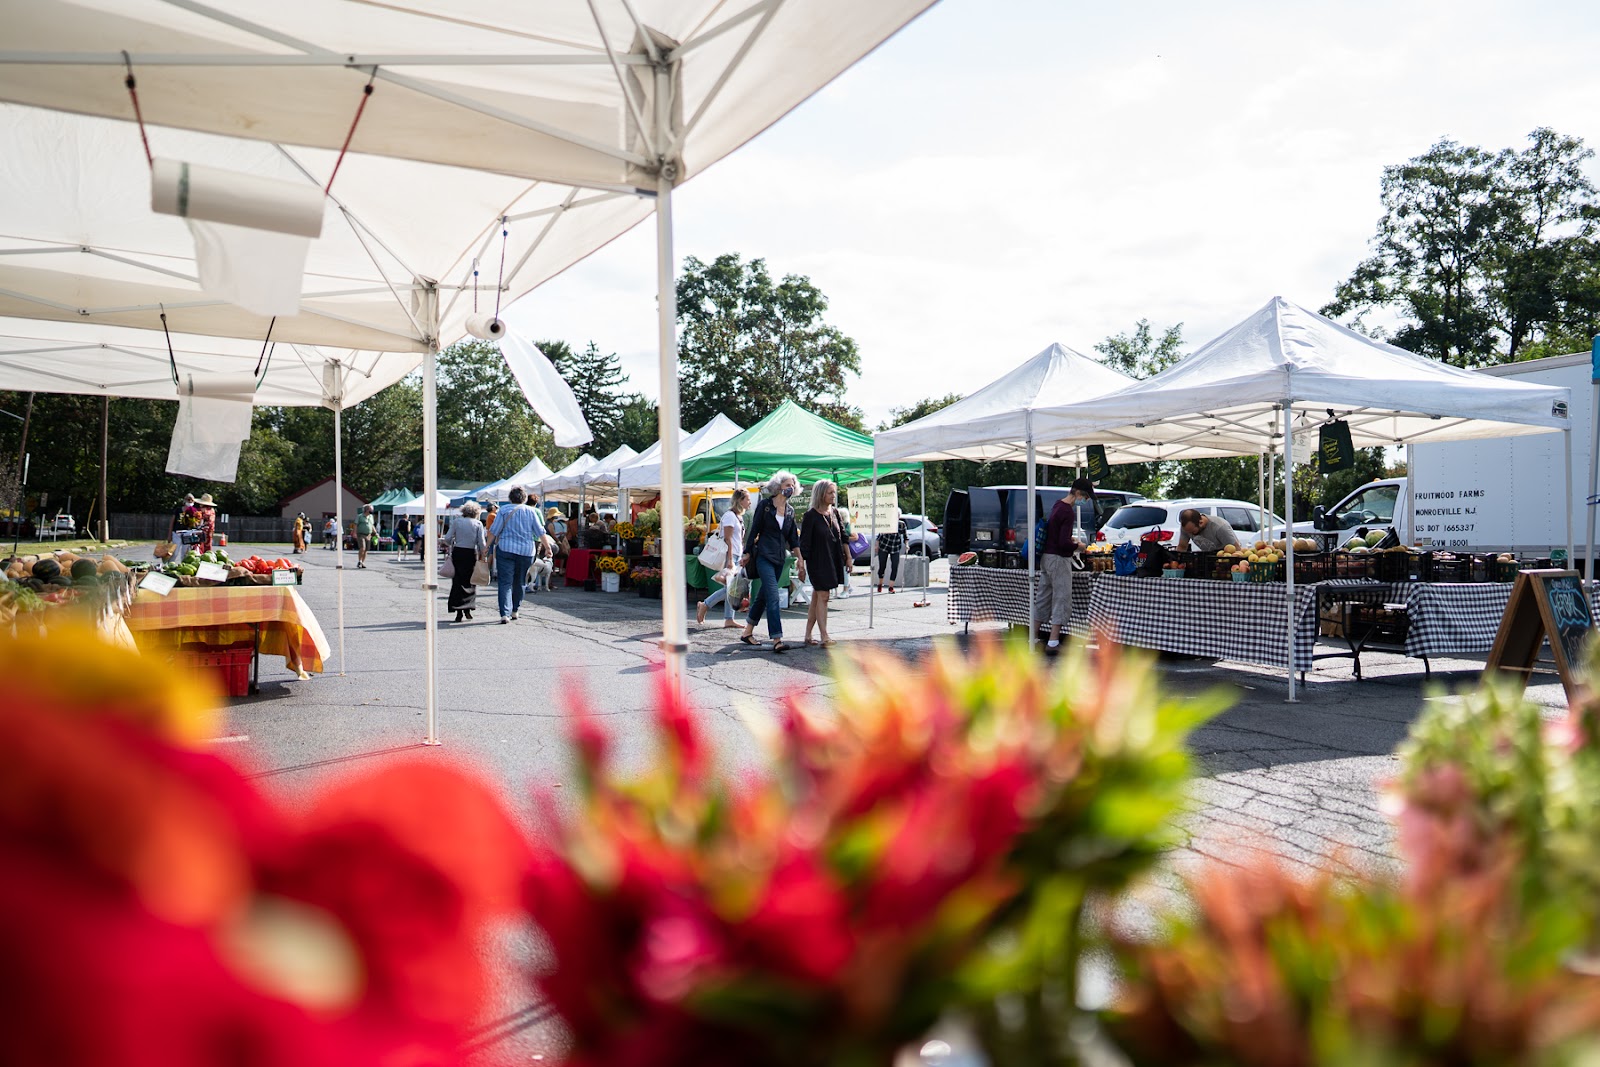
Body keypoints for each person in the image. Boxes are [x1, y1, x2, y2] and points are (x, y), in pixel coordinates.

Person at [739, 472, 805, 652]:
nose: (790, 488)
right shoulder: (765, 506)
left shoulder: (790, 511)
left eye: (792, 485)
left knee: (763, 596)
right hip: (763, 556)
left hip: (779, 559)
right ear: (777, 487)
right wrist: (746, 553)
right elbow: (755, 529)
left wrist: (800, 559)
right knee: (773, 596)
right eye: (786, 485)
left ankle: (747, 632)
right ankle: (777, 639)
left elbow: (793, 539)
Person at [1039, 484, 1091, 654]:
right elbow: (1063, 543)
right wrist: (1079, 546)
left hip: (1046, 557)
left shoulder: (1057, 505)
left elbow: (1056, 535)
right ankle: (1053, 642)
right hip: (1059, 559)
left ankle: (1032, 639)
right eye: (1085, 497)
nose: (1085, 500)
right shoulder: (1068, 511)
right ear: (1077, 493)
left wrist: (1069, 539)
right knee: (1061, 598)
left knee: (1043, 598)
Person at [800, 479, 848, 647]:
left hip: (832, 559)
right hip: (817, 561)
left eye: (834, 492)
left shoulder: (834, 512)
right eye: (830, 492)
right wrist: (801, 565)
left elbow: (843, 535)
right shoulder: (810, 516)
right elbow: (804, 543)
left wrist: (848, 557)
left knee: (817, 596)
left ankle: (808, 634)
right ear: (821, 494)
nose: (833, 495)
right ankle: (824, 635)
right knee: (824, 596)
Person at [487, 487, 545, 623]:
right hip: (526, 552)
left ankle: (504, 614)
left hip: (506, 549)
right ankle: (515, 610)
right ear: (524, 499)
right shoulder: (531, 511)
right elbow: (540, 531)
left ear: (510, 498)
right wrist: (548, 548)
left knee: (505, 582)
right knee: (520, 581)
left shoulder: (503, 510)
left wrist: (486, 547)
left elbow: (494, 530)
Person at [696, 489, 749, 628]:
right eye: (747, 499)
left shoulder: (738, 517)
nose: (749, 502)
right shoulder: (730, 516)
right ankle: (705, 605)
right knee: (731, 588)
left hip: (737, 554)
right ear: (740, 500)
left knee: (731, 589)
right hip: (731, 554)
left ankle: (728, 618)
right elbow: (728, 538)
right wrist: (731, 559)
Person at [444, 501, 487, 623]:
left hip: (458, 553)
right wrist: (484, 553)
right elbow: (481, 543)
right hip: (470, 554)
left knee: (457, 581)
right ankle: (467, 607)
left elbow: (447, 538)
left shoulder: (457, 522)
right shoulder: (478, 524)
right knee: (470, 581)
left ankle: (458, 611)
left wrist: (452, 542)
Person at [1176, 508, 1241, 552]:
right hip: (1207, 560)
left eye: (1193, 531)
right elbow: (1182, 546)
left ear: (1200, 523)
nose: (1191, 534)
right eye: (1188, 532)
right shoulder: (1187, 528)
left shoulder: (1220, 527)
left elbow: (1236, 549)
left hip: (1224, 559)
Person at [876, 515, 908, 593]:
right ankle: (880, 583)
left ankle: (891, 587)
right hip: (884, 546)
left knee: (895, 566)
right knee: (882, 566)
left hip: (895, 547)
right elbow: (879, 537)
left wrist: (907, 545)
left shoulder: (901, 524)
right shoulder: (886, 523)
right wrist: (876, 546)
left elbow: (905, 537)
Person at [168, 493, 201, 563]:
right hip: (177, 533)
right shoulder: (178, 510)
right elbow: (172, 522)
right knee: (175, 552)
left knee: (185, 553)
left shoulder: (195, 511)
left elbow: (197, 524)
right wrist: (169, 535)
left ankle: (183, 566)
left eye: (191, 500)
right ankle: (170, 565)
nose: (189, 501)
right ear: (184, 500)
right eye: (188, 499)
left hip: (187, 533)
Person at [546, 506, 569, 575]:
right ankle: (551, 573)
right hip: (550, 542)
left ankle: (552, 571)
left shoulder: (548, 523)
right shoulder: (550, 524)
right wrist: (558, 541)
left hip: (549, 541)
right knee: (553, 556)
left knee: (553, 557)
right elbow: (553, 534)